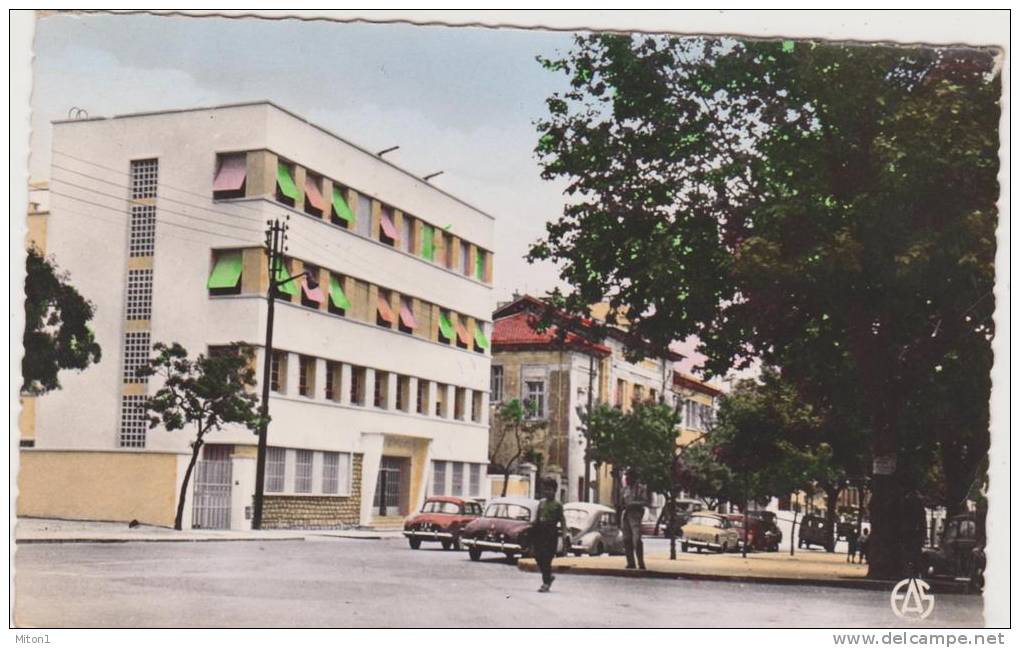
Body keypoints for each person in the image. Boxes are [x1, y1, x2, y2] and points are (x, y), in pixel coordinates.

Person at [534, 476, 568, 593]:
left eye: (550, 489)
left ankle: (546, 582)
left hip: (551, 533)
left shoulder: (557, 505)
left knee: (547, 559)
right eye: (545, 489)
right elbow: (537, 518)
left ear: (555, 490)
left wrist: (564, 535)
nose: (547, 492)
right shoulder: (541, 503)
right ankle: (549, 577)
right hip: (540, 533)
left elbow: (562, 521)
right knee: (538, 556)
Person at [620, 469, 649, 570]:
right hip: (626, 514)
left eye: (629, 477)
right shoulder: (625, 489)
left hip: (636, 514)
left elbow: (645, 502)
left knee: (636, 539)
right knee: (626, 539)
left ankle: (641, 563)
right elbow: (621, 502)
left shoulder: (641, 489)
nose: (627, 479)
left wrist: (633, 504)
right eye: (626, 477)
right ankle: (630, 562)